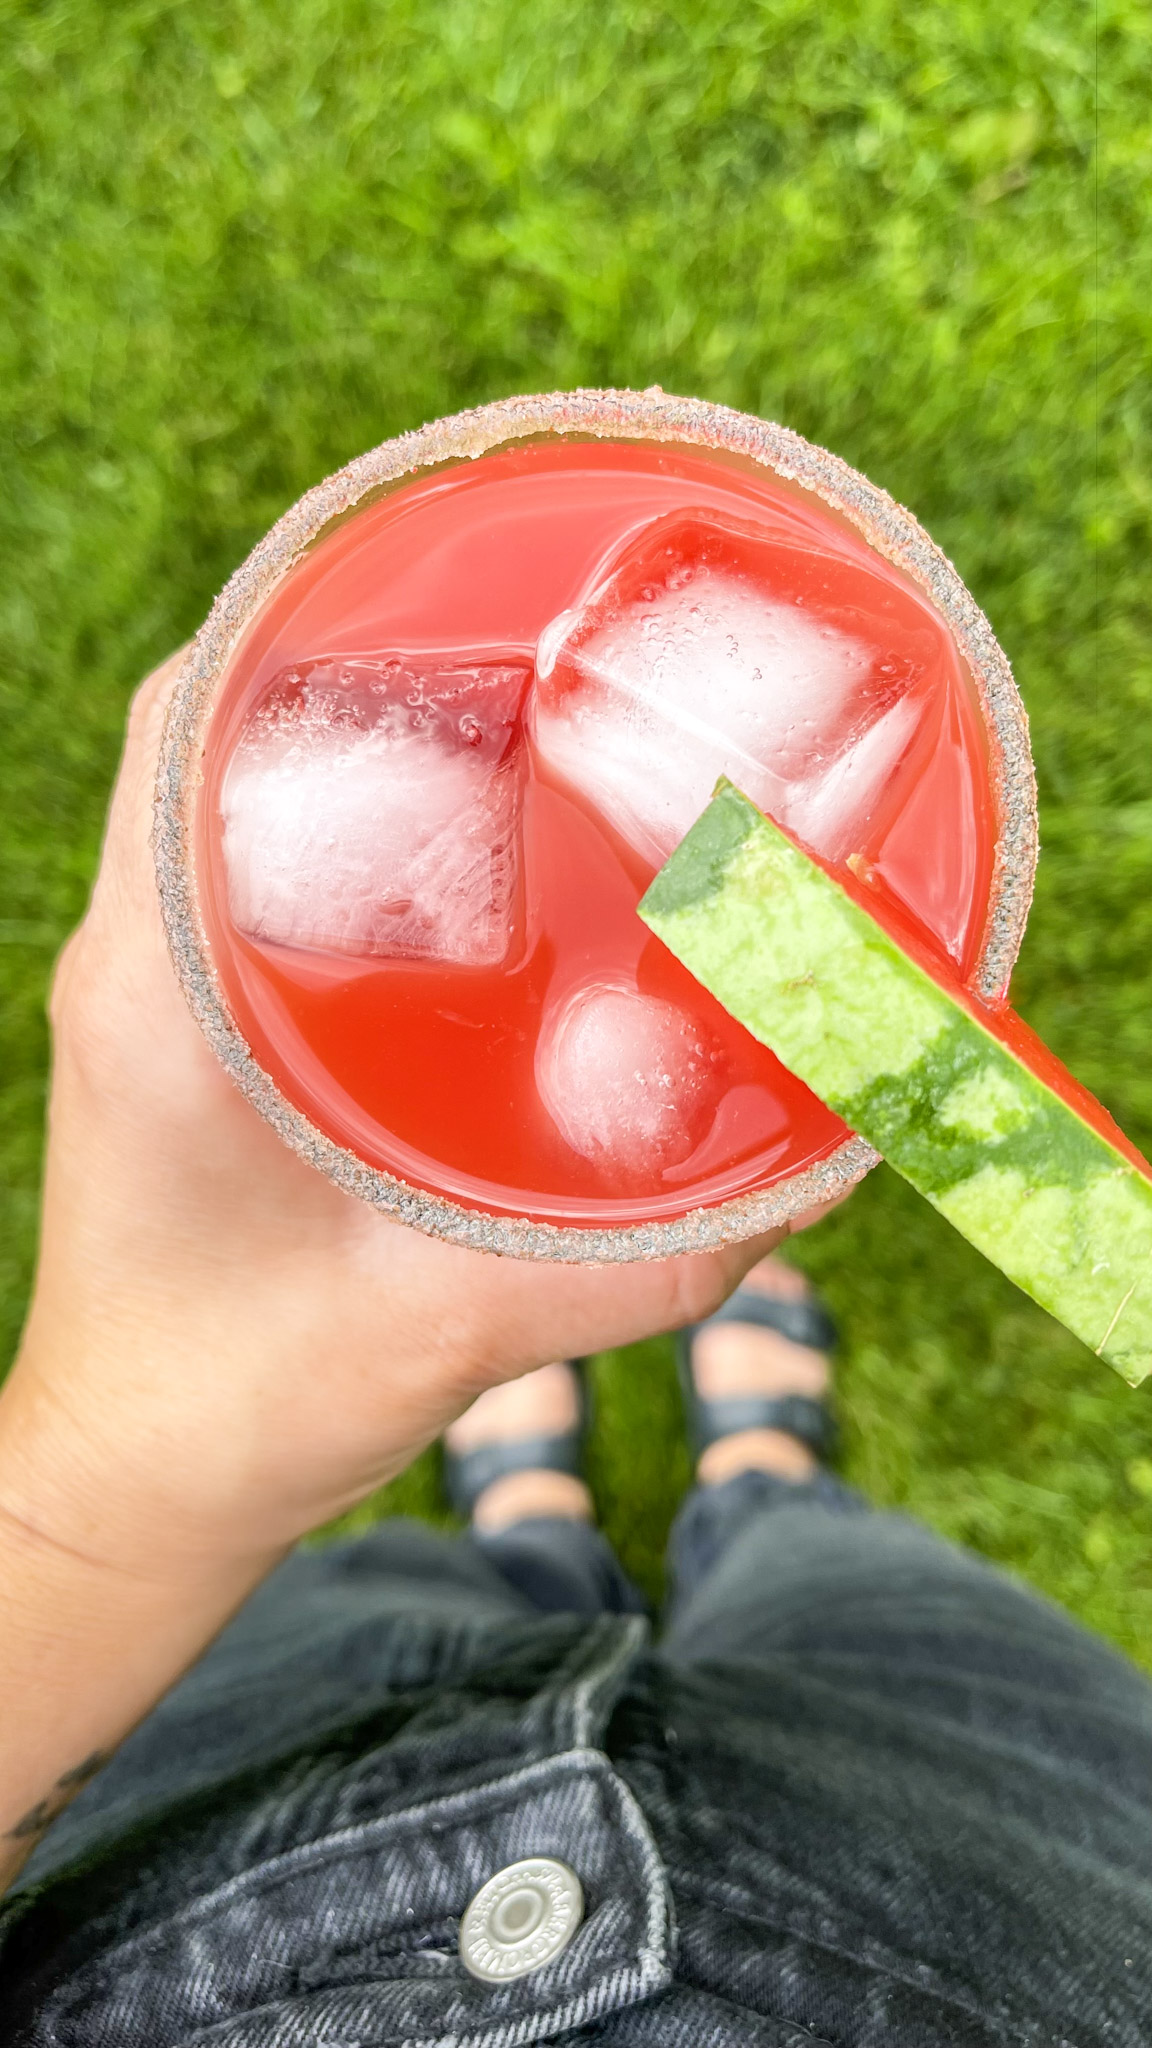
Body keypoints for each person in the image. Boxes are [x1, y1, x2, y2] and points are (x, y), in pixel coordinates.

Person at [0, 658, 1149, 2048]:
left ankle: (537, 1511)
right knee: (848, 1581)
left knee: (414, 1592)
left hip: (229, 1766)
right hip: (1002, 1894)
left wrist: (103, 1494)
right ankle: (769, 1476)